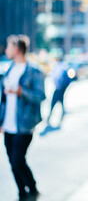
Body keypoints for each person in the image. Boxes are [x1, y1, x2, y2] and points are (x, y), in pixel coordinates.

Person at [0, 35, 46, 201]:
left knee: (17, 160)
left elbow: (41, 96)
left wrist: (21, 92)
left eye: (9, 47)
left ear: (17, 49)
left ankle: (32, 188)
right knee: (13, 163)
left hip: (24, 125)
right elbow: (3, 98)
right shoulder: (8, 69)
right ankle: (22, 192)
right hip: (8, 125)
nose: (6, 50)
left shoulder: (34, 71)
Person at [46, 56, 72, 126]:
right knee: (61, 102)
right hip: (62, 88)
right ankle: (61, 116)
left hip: (58, 88)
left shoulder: (59, 67)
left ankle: (50, 117)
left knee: (53, 103)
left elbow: (56, 77)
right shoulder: (65, 66)